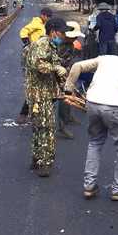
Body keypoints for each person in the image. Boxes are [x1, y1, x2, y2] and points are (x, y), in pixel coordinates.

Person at [64, 45, 118, 201]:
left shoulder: (106, 59)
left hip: (92, 103)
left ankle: (89, 186)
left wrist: (68, 91)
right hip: (117, 108)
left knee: (95, 142)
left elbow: (77, 66)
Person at [24, 16, 73, 177]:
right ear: (53, 32)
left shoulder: (50, 45)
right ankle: (44, 165)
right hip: (40, 94)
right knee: (46, 130)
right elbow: (38, 64)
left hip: (42, 92)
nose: (64, 36)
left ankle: (36, 158)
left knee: (39, 128)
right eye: (62, 33)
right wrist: (56, 68)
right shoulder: (42, 45)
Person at [17, 7, 53, 124]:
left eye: (49, 17)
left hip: (41, 57)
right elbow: (23, 32)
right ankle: (24, 113)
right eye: (47, 16)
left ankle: (36, 111)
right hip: (33, 58)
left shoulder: (44, 25)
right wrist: (28, 44)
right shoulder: (36, 23)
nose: (48, 18)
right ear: (42, 15)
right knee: (33, 87)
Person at [55, 20, 86, 138]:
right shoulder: (56, 44)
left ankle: (66, 120)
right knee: (58, 98)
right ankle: (62, 126)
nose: (76, 38)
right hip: (50, 73)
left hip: (63, 73)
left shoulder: (71, 46)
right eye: (75, 36)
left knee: (67, 95)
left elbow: (69, 61)